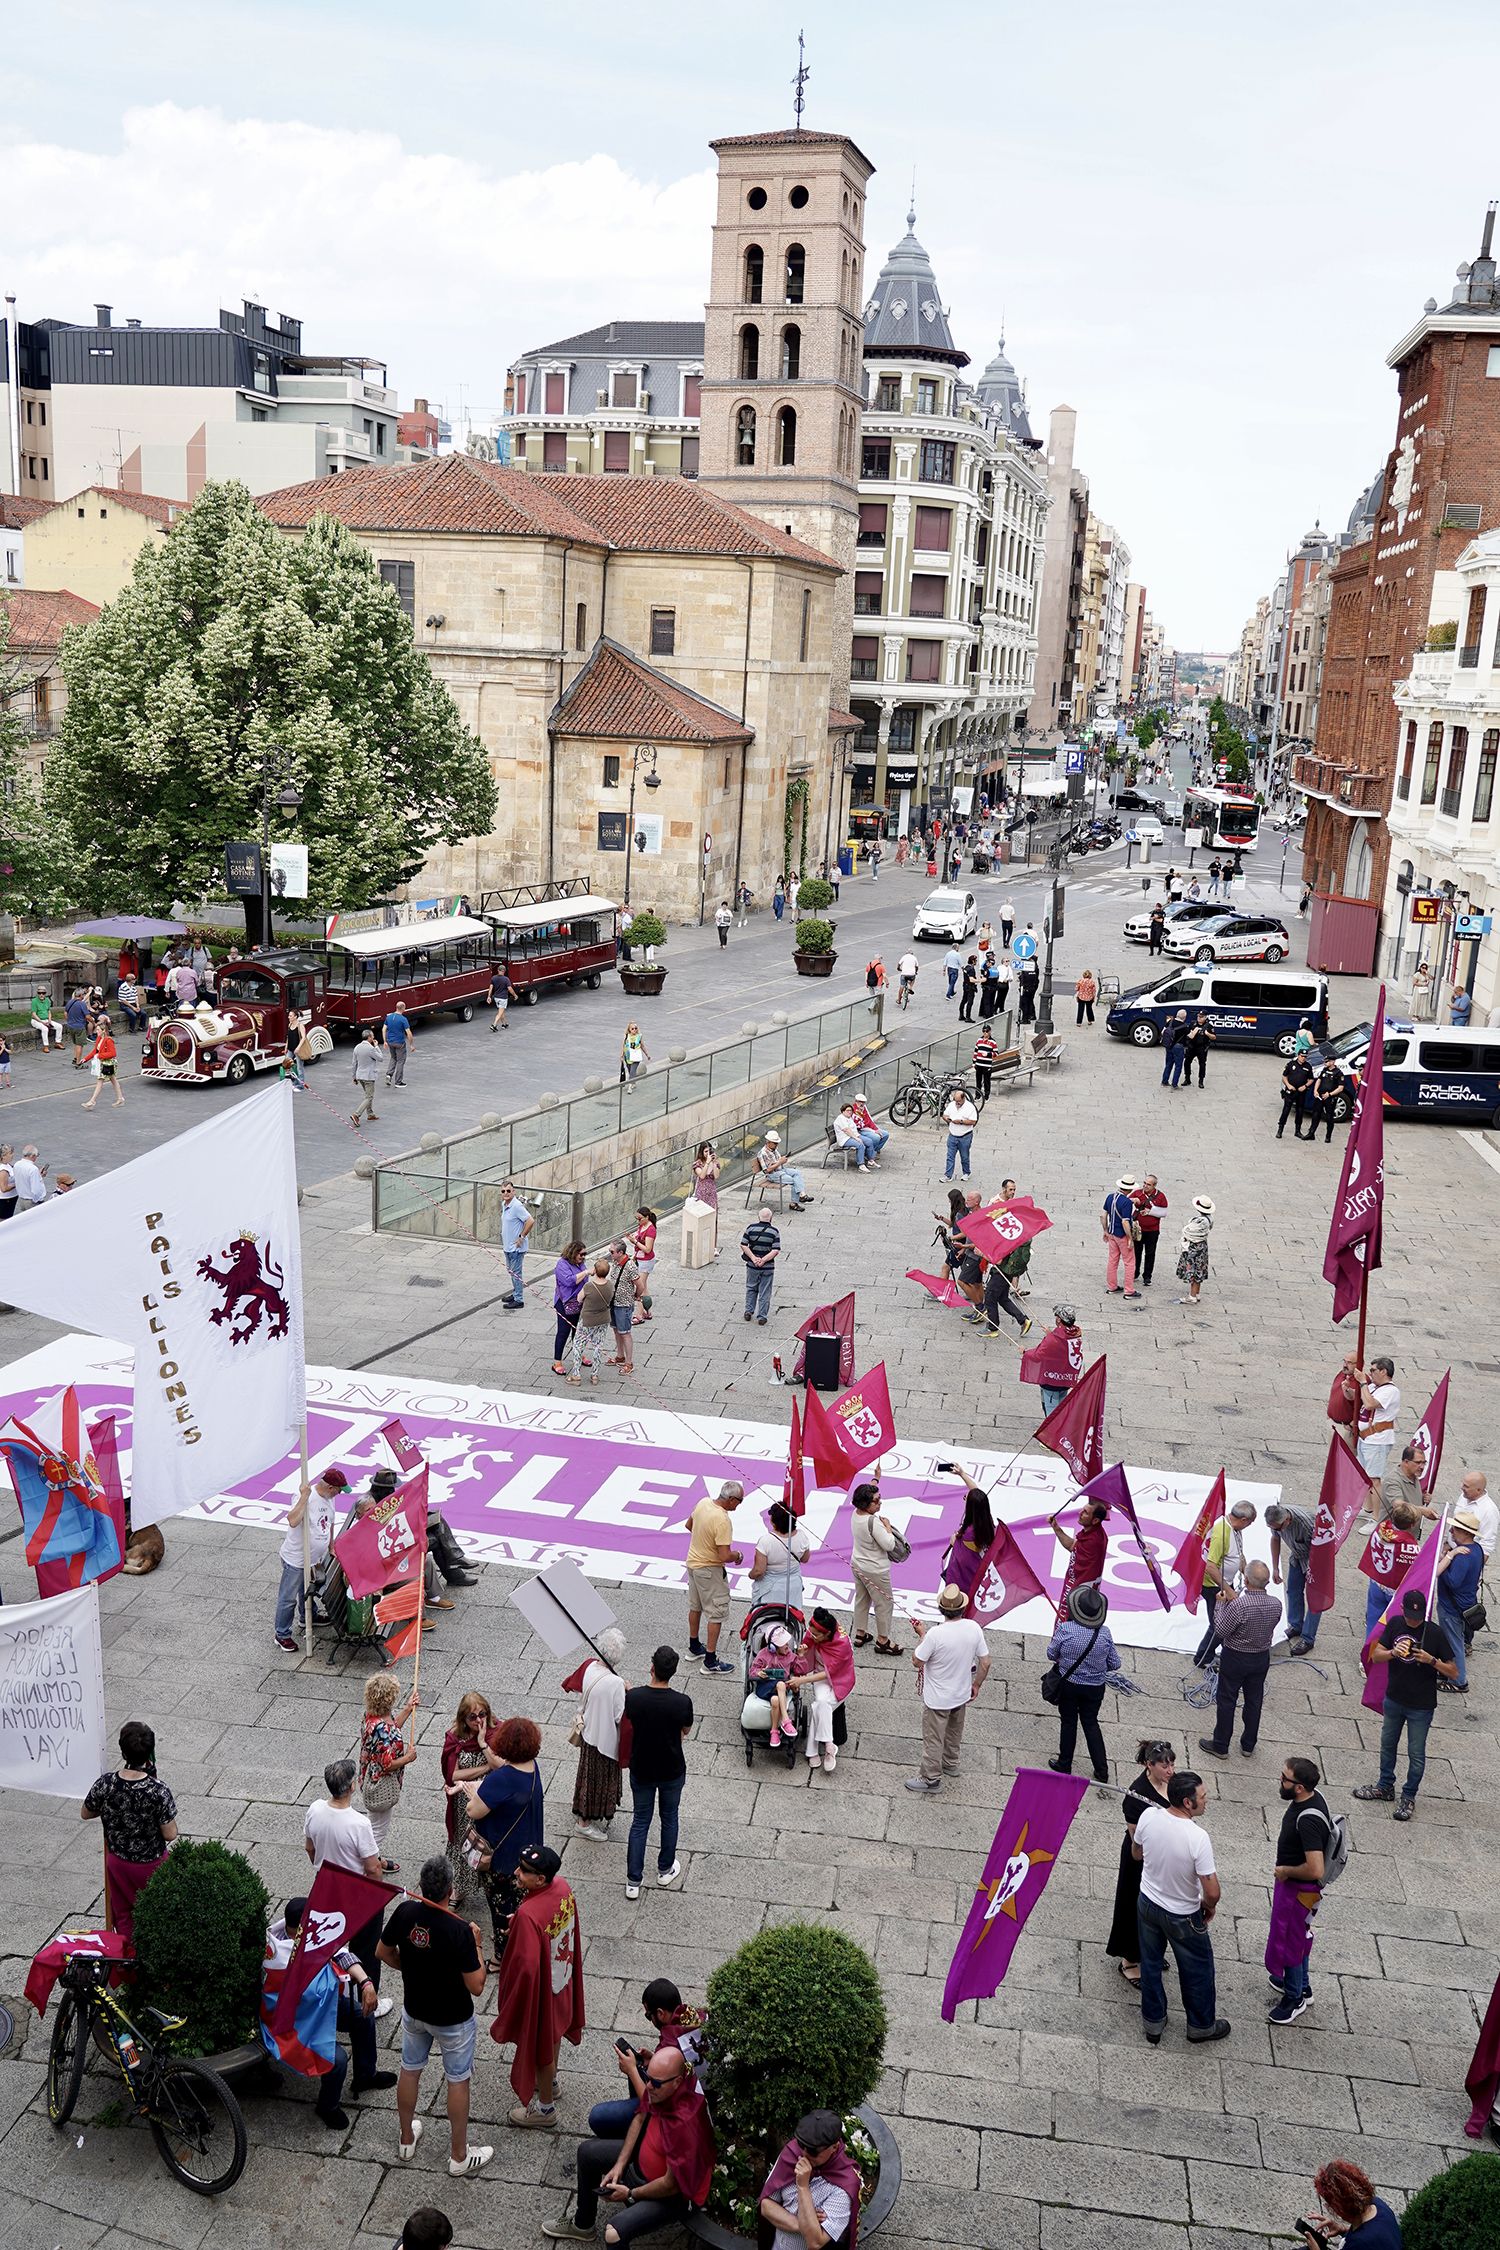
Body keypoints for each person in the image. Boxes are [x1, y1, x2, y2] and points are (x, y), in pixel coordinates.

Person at [378, 1853, 493, 2174]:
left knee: (410, 2069)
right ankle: (458, 2155)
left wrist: (410, 1967)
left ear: (421, 1886)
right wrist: (479, 1945)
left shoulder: (405, 1912)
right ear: (449, 1889)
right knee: (457, 2080)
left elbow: (382, 1951)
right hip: (453, 2019)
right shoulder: (459, 1930)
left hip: (415, 2010)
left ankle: (405, 2139)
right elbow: (478, 1985)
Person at [542, 2041, 715, 2244]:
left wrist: (631, 2194)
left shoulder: (685, 2124)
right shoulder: (662, 2089)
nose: (648, 2086)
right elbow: (640, 2116)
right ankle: (583, 2225)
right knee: (586, 2152)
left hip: (672, 2196)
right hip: (642, 2167)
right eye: (648, 2078)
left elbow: (670, 2185)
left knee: (614, 2233)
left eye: (656, 2083)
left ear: (677, 2082)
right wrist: (619, 2165)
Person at [260, 1891, 394, 2128]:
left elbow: (340, 1953)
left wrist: (366, 1982)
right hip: (296, 2025)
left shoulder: (307, 1936)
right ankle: (327, 2105)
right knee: (337, 2059)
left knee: (361, 2016)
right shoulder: (278, 1960)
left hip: (318, 2008)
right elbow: (312, 1990)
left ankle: (365, 2075)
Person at [1132, 1772, 1228, 2045]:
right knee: (1197, 1970)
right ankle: (1200, 2026)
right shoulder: (1197, 1837)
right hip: (1183, 1914)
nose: (1207, 1801)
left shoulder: (1149, 1817)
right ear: (1188, 1802)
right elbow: (1212, 1891)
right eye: (1203, 1797)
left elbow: (1136, 1853)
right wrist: (1208, 1907)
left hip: (1148, 1903)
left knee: (1149, 1964)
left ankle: (1153, 2022)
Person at [444, 1715, 544, 1965]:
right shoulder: (532, 1766)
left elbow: (473, 1811)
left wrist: (469, 1792)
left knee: (501, 1908)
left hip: (500, 1859)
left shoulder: (503, 1778)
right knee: (520, 1902)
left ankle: (502, 1957)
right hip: (526, 1850)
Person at [1352, 1586, 1457, 1819]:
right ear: (1402, 1610)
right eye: (1410, 1616)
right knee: (1387, 1744)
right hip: (1394, 1698)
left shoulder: (1435, 1633)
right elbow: (1375, 1655)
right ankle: (1385, 1785)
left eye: (1417, 1618)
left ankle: (1409, 1795)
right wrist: (1393, 1653)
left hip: (1421, 1705)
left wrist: (1432, 1661)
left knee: (1416, 1753)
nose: (1413, 1621)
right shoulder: (1396, 1624)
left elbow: (1454, 1671)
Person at [304, 1758, 389, 2004]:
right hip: (356, 1892)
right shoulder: (359, 1824)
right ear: (352, 1786)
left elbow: (310, 1848)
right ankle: (366, 1996)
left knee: (327, 1940)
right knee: (366, 1947)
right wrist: (378, 1891)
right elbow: (372, 1867)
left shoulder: (315, 1809)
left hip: (325, 1886)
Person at [81, 1720, 178, 1938]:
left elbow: (86, 1812)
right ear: (149, 1752)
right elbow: (170, 1833)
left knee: (124, 1916)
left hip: (118, 1861)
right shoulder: (157, 1790)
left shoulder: (105, 1784)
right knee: (155, 1916)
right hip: (150, 1864)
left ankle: (126, 1960)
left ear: (122, 1750)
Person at [1266, 1755, 1333, 2025]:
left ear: (1300, 1787)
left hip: (1298, 1890)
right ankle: (1302, 1986)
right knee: (1299, 1936)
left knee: (1290, 1941)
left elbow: (1315, 1868)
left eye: (1285, 1779)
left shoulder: (1307, 1820)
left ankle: (1294, 1998)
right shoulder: (1313, 1799)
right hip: (1299, 1890)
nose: (1280, 1781)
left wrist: (1286, 1872)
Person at [905, 1582, 990, 1792]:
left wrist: (921, 1635)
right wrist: (976, 1684)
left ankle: (930, 1778)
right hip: (961, 1693)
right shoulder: (973, 1628)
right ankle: (951, 1763)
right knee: (954, 1731)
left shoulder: (935, 1634)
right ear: (962, 1607)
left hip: (938, 1698)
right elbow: (985, 1662)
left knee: (934, 1738)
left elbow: (917, 1661)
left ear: (942, 1609)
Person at [623, 1647, 694, 1898]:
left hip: (641, 1767)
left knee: (640, 1821)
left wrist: (631, 1691)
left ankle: (633, 1880)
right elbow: (685, 1730)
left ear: (651, 1667)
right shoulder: (682, 1702)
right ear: (673, 1672)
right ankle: (665, 1869)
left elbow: (631, 1714)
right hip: (672, 1769)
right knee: (670, 1817)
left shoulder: (634, 1698)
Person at [1106, 1740, 1177, 1987]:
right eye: (1164, 1765)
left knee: (1159, 1908)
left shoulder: (1172, 1783)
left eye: (1172, 1764)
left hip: (1164, 1857)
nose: (1170, 1770)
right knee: (1133, 1904)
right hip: (1142, 1859)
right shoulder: (1136, 1794)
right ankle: (1130, 1960)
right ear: (1149, 1765)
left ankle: (1150, 1950)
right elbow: (1137, 1838)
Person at [1045, 1582, 1121, 1781]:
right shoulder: (1104, 1633)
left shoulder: (1065, 1629)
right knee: (1091, 1723)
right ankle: (1101, 1770)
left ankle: (1065, 1763)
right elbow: (1115, 1663)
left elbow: (1051, 1654)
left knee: (1068, 1722)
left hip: (1069, 1684)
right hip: (1095, 1688)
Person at [759, 2110, 863, 2250]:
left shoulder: (845, 2185)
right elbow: (766, 2206)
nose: (804, 2154)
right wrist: (804, 2224)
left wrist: (803, 2187)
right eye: (802, 2144)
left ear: (834, 2147)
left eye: (814, 2151)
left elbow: (815, 2242)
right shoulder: (792, 2153)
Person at [275, 1466, 349, 1651]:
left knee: (306, 1588)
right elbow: (292, 1520)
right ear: (331, 1487)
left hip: (315, 1557)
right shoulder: (306, 1498)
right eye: (339, 1490)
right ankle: (281, 1634)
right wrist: (304, 1497)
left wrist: (331, 1545)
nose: (340, 1494)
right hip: (297, 1558)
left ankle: (308, 1615)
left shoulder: (329, 1499)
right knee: (288, 1598)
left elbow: (330, 1522)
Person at [441, 1691, 503, 1912]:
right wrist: (484, 1768)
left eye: (482, 1714)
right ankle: (459, 1888)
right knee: (465, 1840)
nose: (479, 1721)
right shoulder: (455, 1738)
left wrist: (482, 1743)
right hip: (463, 1803)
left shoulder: (496, 1732)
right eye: (472, 1717)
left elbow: (501, 1766)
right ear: (463, 1719)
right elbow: (453, 1775)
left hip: (489, 1800)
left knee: (488, 1841)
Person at [360, 1670, 420, 1871]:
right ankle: (369, 1864)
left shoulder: (372, 1718)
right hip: (381, 1785)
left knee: (373, 1823)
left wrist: (408, 1709)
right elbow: (388, 1764)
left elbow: (393, 1727)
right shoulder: (384, 1732)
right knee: (378, 1830)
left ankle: (374, 1859)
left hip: (369, 1776)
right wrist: (407, 1759)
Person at [572, 1626, 628, 1842]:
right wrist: (626, 1690)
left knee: (587, 1777)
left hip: (588, 1733)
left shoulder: (589, 1667)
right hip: (604, 1740)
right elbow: (619, 1715)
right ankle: (584, 1823)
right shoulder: (615, 1683)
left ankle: (583, 1813)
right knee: (598, 1781)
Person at [1192, 1497, 1259, 1668]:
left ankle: (1222, 1651)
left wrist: (1245, 1571)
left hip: (1225, 1583)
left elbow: (1238, 1552)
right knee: (1219, 1626)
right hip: (1213, 1586)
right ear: (1243, 1520)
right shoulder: (1222, 1533)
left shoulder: (1235, 1528)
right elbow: (1211, 1567)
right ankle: (1202, 1658)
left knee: (1225, 1622)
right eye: (1250, 1523)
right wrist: (1229, 1591)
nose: (1249, 1526)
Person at [685, 1481, 744, 1672]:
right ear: (732, 1499)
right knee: (716, 1613)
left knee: (695, 1607)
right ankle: (710, 1661)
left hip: (693, 1564)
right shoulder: (722, 1520)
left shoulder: (703, 1503)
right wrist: (738, 1555)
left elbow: (689, 1525)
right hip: (710, 1570)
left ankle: (694, 1647)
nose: (739, 1505)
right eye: (739, 1501)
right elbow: (724, 1556)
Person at [789, 1608, 856, 1775]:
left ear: (826, 1635)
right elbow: (805, 1662)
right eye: (810, 1633)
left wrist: (800, 1680)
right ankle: (828, 1745)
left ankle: (812, 1752)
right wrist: (802, 1654)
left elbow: (829, 1673)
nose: (811, 1636)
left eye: (816, 1635)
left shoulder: (841, 1645)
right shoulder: (814, 1633)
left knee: (820, 1705)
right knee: (821, 1704)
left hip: (840, 1680)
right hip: (819, 1678)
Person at [1296, 2160, 1404, 2249]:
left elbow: (1367, 2240)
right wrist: (1342, 2230)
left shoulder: (1359, 2243)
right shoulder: (1378, 2205)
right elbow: (1373, 2233)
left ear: (1340, 2208)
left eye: (1330, 2205)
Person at [850, 1480, 903, 1655]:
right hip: (875, 1570)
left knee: (862, 1599)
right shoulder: (874, 1522)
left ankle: (860, 1633)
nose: (880, 1502)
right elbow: (889, 1544)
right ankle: (883, 1640)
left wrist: (875, 1479)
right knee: (884, 1604)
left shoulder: (855, 1514)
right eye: (876, 1500)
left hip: (857, 1564)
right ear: (866, 1504)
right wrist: (888, 1527)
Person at [1434, 1509, 1484, 1693]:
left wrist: (1447, 1559)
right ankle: (1448, 1671)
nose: (1452, 1531)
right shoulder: (1477, 1549)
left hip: (1452, 1608)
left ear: (1465, 1532)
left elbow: (1453, 1582)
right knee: (1451, 1640)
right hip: (1465, 1604)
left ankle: (1459, 1681)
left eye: (1455, 1528)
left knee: (1455, 1643)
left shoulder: (1462, 1556)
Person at [1266, 1500, 1322, 1655]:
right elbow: (1275, 1539)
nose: (1277, 1531)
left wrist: (1312, 1571)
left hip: (1315, 1559)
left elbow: (1320, 1550)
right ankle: (1296, 1625)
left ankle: (1308, 1638)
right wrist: (1275, 1567)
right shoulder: (1277, 1520)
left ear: (1287, 1521)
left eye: (1279, 1528)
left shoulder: (1307, 1525)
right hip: (1297, 1556)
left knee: (1315, 1600)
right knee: (1293, 1591)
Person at [750, 1499, 812, 1614]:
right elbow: (805, 1559)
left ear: (774, 1522)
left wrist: (750, 1575)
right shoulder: (802, 1536)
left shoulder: (766, 1541)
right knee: (792, 1616)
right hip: (792, 1586)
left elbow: (759, 1571)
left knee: (768, 1618)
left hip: (770, 1589)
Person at [940, 1479, 996, 1601]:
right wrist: (962, 1474)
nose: (964, 1499)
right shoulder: (987, 1523)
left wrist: (955, 1542)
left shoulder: (968, 1534)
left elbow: (961, 1558)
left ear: (971, 1507)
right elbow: (977, 1495)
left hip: (962, 1583)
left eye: (966, 1498)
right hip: (978, 1576)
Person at [1050, 1491, 1110, 1604]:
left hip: (1079, 1593)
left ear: (1095, 1520)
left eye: (1085, 1512)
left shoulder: (1093, 1541)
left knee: (1067, 1618)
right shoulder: (1096, 1533)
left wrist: (1056, 1528)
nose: (1079, 1513)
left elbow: (1072, 1547)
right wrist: (1056, 1527)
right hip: (1082, 1588)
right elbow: (1074, 1545)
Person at [749, 1623, 799, 1748]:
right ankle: (786, 1720)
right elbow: (752, 1671)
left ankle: (774, 1732)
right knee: (781, 1684)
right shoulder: (763, 1654)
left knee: (775, 1700)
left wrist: (801, 1655)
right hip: (765, 1688)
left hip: (778, 1694)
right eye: (783, 1643)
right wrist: (759, 1673)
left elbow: (800, 1669)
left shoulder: (790, 1656)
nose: (787, 1645)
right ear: (772, 1646)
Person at [1350, 1356, 1400, 1479]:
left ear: (1383, 1372)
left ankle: (1373, 1499)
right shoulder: (1373, 1387)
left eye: (1373, 1370)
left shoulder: (1391, 1391)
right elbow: (1358, 1398)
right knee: (1361, 1478)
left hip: (1378, 1440)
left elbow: (1370, 1404)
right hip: (1366, 1438)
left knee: (1373, 1480)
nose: (1370, 1374)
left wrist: (1363, 1383)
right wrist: (1347, 1389)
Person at [1025, 1303, 1082, 1413]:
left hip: (1052, 1380)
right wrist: (1050, 1334)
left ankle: (1052, 1430)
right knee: (1061, 1407)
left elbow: (1037, 1355)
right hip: (1066, 1379)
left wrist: (1025, 1352)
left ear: (1059, 1319)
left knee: (1051, 1410)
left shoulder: (1053, 1338)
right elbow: (1062, 1345)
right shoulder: (1076, 1334)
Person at [568, 1257, 615, 1385]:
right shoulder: (610, 1285)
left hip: (587, 1320)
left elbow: (579, 1299)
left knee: (578, 1345)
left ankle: (576, 1375)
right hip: (604, 1319)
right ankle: (594, 1375)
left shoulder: (589, 1286)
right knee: (598, 1346)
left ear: (595, 1270)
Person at [552, 1238, 588, 1375]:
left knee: (578, 1331)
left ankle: (579, 1355)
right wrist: (585, 1273)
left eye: (585, 1254)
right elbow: (568, 1281)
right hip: (564, 1303)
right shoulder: (562, 1264)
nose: (583, 1257)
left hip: (579, 1302)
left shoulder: (580, 1264)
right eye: (581, 1254)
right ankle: (557, 1362)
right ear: (573, 1253)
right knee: (563, 1332)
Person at [496, 1180, 534, 1310]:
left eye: (508, 1191)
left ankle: (519, 1299)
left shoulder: (517, 1206)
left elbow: (530, 1221)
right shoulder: (504, 1204)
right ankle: (515, 1293)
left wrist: (521, 1237)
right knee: (511, 1271)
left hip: (516, 1248)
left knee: (516, 1272)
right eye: (503, 1191)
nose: (505, 1193)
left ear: (513, 1192)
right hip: (508, 1246)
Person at [755, 1128, 812, 1212]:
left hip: (781, 1170)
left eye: (777, 1143)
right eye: (775, 1143)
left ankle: (802, 1195)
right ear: (768, 1142)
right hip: (773, 1175)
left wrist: (782, 1160)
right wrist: (779, 1162)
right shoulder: (763, 1153)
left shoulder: (774, 1150)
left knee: (797, 1173)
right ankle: (795, 1203)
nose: (776, 1145)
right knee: (794, 1181)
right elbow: (766, 1171)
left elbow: (777, 1162)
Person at [1175, 1195, 1214, 1306]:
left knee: (1193, 1270)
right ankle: (1196, 1293)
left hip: (1194, 1248)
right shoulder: (1209, 1219)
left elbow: (1188, 1231)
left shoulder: (1199, 1221)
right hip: (1202, 1247)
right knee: (1199, 1269)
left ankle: (1192, 1296)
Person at [1131, 1176, 1168, 1288]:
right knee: (1136, 1252)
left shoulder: (1160, 1196)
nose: (1145, 1186)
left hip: (1152, 1230)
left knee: (1150, 1253)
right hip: (1138, 1229)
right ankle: (1135, 1272)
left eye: (1148, 1184)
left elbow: (1164, 1212)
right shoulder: (1137, 1193)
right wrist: (1133, 1200)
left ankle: (1147, 1276)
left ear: (1154, 1186)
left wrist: (1150, 1211)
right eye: (1144, 1183)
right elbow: (1126, 1201)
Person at [80, 1017, 124, 1110]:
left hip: (108, 1063)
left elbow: (113, 1053)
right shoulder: (99, 1038)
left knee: (100, 1080)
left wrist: (100, 1056)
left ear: (103, 1030)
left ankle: (92, 1101)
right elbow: (95, 1051)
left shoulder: (109, 1040)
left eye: (98, 1030)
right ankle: (120, 1098)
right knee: (113, 1080)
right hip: (104, 1063)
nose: (96, 1031)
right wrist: (85, 1059)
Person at [691, 1142, 721, 1258]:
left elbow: (716, 1176)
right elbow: (702, 1176)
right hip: (701, 1193)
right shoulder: (697, 1164)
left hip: (711, 1193)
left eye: (709, 1151)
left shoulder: (714, 1162)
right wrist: (707, 1163)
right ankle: (700, 1244)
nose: (708, 1153)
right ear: (701, 1152)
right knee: (701, 1219)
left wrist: (713, 1163)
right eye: (705, 1151)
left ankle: (713, 1246)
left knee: (713, 1220)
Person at [943, 1083, 978, 1180]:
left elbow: (973, 1121)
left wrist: (961, 1121)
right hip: (952, 1135)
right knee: (950, 1156)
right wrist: (947, 1119)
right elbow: (944, 1115)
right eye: (955, 1101)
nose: (957, 1103)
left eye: (959, 1101)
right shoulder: (951, 1105)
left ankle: (966, 1172)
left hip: (965, 1136)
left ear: (963, 1099)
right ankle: (948, 1175)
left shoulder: (970, 1107)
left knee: (964, 1156)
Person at [1278, 1050, 1316, 1139]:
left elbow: (1311, 1079)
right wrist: (1288, 1085)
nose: (1303, 1058)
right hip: (1290, 1091)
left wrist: (1305, 1086)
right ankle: (1280, 1129)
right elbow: (1284, 1076)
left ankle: (1297, 1131)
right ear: (1298, 1055)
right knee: (1286, 1110)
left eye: (1305, 1057)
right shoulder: (1291, 1064)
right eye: (1302, 1056)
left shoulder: (1308, 1066)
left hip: (1301, 1092)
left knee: (1300, 1111)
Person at [350, 1027, 382, 1125]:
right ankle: (356, 1114)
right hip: (369, 1076)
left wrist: (354, 1076)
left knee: (368, 1095)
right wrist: (376, 1046)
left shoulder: (357, 1047)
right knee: (369, 1097)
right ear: (369, 1037)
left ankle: (370, 1114)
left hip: (360, 1075)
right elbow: (380, 1058)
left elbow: (354, 1063)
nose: (373, 1038)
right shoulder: (371, 1048)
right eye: (372, 1036)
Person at [631, 1207, 658, 1321]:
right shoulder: (642, 1225)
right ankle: (647, 1311)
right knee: (644, 1287)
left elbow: (647, 1249)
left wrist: (635, 1241)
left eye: (640, 1219)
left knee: (640, 1287)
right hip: (640, 1259)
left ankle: (639, 1316)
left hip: (646, 1261)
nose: (638, 1221)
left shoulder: (650, 1229)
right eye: (637, 1219)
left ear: (647, 1217)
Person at [848, 1093, 889, 1165]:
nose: (862, 1104)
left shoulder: (863, 1109)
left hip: (866, 1128)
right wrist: (873, 1131)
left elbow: (869, 1120)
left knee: (885, 1134)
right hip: (859, 1131)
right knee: (876, 1137)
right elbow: (858, 1126)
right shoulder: (852, 1110)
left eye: (863, 1102)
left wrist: (876, 1129)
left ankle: (872, 1152)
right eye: (860, 1102)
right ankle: (869, 1154)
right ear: (856, 1101)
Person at [1311, 1058, 1345, 1142]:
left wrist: (1329, 1094)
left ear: (1333, 1062)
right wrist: (1315, 1090)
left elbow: (1340, 1088)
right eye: (1325, 1061)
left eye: (1327, 1061)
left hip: (1330, 1098)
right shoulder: (1324, 1070)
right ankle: (1311, 1133)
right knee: (1316, 1114)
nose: (1325, 1063)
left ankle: (1328, 1136)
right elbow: (1319, 1080)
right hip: (1320, 1096)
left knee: (1329, 1117)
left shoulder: (1338, 1073)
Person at [833, 1103, 876, 1170]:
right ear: (843, 1111)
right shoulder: (841, 1118)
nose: (850, 1112)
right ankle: (861, 1165)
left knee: (869, 1141)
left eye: (851, 1110)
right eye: (847, 1110)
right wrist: (856, 1138)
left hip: (853, 1136)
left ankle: (871, 1161)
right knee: (860, 1144)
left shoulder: (849, 1117)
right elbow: (847, 1130)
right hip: (845, 1139)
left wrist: (857, 1136)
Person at [383, 1005, 412, 1086]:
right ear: (403, 1008)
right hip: (399, 1043)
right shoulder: (403, 1019)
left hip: (390, 1042)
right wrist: (411, 1044)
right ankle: (398, 1082)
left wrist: (385, 1041)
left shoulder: (389, 1017)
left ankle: (389, 1075)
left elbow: (384, 1029)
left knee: (393, 1058)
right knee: (400, 1061)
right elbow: (408, 1033)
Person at [1160, 1009, 1190, 1089]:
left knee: (1168, 1064)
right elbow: (1190, 1036)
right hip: (1178, 1047)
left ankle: (1164, 1081)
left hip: (1168, 1046)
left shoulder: (1170, 1022)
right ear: (1185, 1017)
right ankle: (1174, 1084)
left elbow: (1163, 1032)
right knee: (1178, 1066)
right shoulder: (1184, 1027)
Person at [1185, 1013, 1215, 1087]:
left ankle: (1201, 1081)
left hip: (1202, 1048)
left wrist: (1207, 1034)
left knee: (1202, 1064)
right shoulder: (1193, 1024)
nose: (1199, 1018)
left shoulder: (1208, 1026)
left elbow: (1214, 1037)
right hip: (1191, 1047)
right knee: (1187, 1062)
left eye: (1201, 1017)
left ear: (1205, 1017)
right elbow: (1187, 1034)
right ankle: (1187, 1079)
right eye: (1198, 1016)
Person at [489, 964, 514, 1031]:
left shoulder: (493, 978)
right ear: (504, 971)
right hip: (503, 998)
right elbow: (510, 989)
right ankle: (494, 1025)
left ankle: (505, 1024)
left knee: (501, 1012)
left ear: (498, 970)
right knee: (500, 1013)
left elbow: (491, 988)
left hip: (496, 998)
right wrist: (515, 995)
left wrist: (489, 996)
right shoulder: (506, 979)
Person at [959, 952, 979, 1022]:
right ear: (973, 961)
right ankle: (968, 1017)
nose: (976, 961)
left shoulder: (966, 967)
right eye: (976, 960)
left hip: (965, 986)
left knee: (964, 1000)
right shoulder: (971, 969)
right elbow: (971, 979)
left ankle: (961, 1015)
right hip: (970, 987)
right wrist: (979, 980)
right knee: (970, 1002)